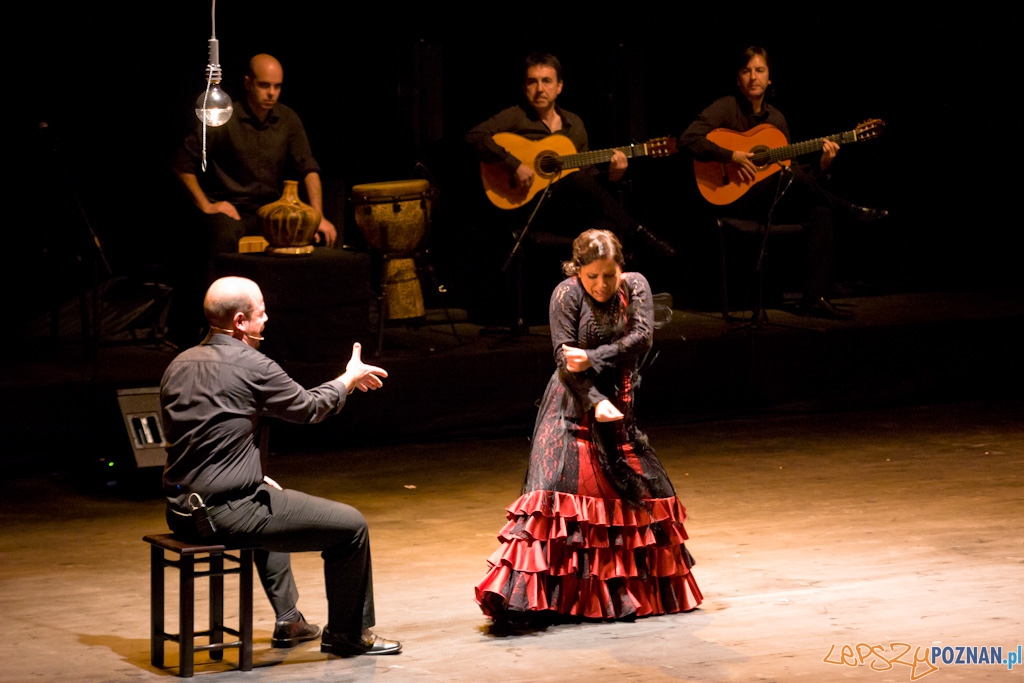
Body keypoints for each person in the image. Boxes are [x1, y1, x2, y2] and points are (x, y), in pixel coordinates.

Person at [160, 276, 401, 657]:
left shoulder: (179, 364)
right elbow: (309, 408)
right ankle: (348, 635)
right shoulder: (252, 364)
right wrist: (348, 379)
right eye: (261, 312)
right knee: (351, 527)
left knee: (270, 498)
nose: (267, 318)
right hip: (226, 513)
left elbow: (206, 432)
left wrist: (246, 472)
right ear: (240, 321)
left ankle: (289, 619)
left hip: (182, 511)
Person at [475, 230, 702, 625]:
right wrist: (596, 403)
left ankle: (621, 595)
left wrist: (595, 357)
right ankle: (529, 601)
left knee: (640, 500)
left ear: (621, 269)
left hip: (619, 402)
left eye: (608, 276)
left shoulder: (636, 287)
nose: (601, 285)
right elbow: (567, 363)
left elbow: (642, 338)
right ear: (577, 271)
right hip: (571, 403)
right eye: (592, 276)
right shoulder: (566, 294)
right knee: (556, 503)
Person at [679, 46, 886, 319]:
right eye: (746, 71)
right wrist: (730, 157)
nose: (753, 76)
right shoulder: (725, 107)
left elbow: (794, 178)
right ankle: (849, 210)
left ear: (769, 78)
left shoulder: (776, 120)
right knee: (790, 176)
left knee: (818, 211)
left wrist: (823, 168)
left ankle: (815, 297)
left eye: (760, 70)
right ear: (739, 78)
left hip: (771, 200)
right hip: (733, 198)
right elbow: (688, 139)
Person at [168, 54, 337, 345]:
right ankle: (216, 328)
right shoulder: (225, 116)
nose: (271, 93)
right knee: (223, 237)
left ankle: (303, 328)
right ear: (248, 84)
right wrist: (207, 204)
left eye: (277, 86)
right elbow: (183, 164)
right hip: (232, 209)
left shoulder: (287, 118)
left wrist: (317, 215)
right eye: (264, 85)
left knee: (317, 238)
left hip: (270, 210)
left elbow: (308, 168)